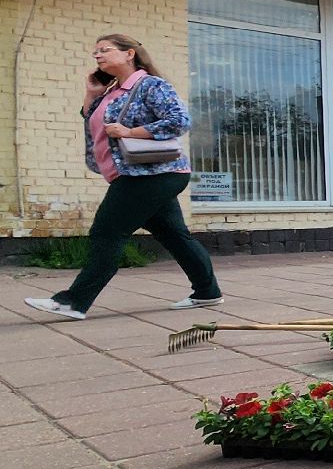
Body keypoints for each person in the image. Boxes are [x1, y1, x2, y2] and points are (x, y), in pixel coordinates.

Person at [25, 35, 222, 321]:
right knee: (175, 236)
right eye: (95, 52)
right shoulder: (111, 91)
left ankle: (73, 302)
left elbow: (180, 121)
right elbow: (92, 119)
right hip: (139, 174)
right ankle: (207, 292)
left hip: (152, 173)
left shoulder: (150, 85)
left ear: (130, 53)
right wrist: (92, 93)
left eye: (105, 50)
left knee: (107, 233)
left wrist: (130, 132)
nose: (98, 55)